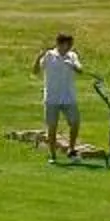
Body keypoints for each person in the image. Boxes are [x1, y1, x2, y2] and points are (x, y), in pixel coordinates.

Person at [35, 31, 83, 161]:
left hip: (68, 97)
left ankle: (71, 149)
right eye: (68, 44)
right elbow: (36, 71)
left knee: (75, 122)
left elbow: (80, 70)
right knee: (52, 127)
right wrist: (38, 57)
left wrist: (72, 65)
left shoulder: (72, 56)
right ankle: (52, 155)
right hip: (52, 98)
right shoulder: (49, 56)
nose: (69, 47)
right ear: (60, 44)